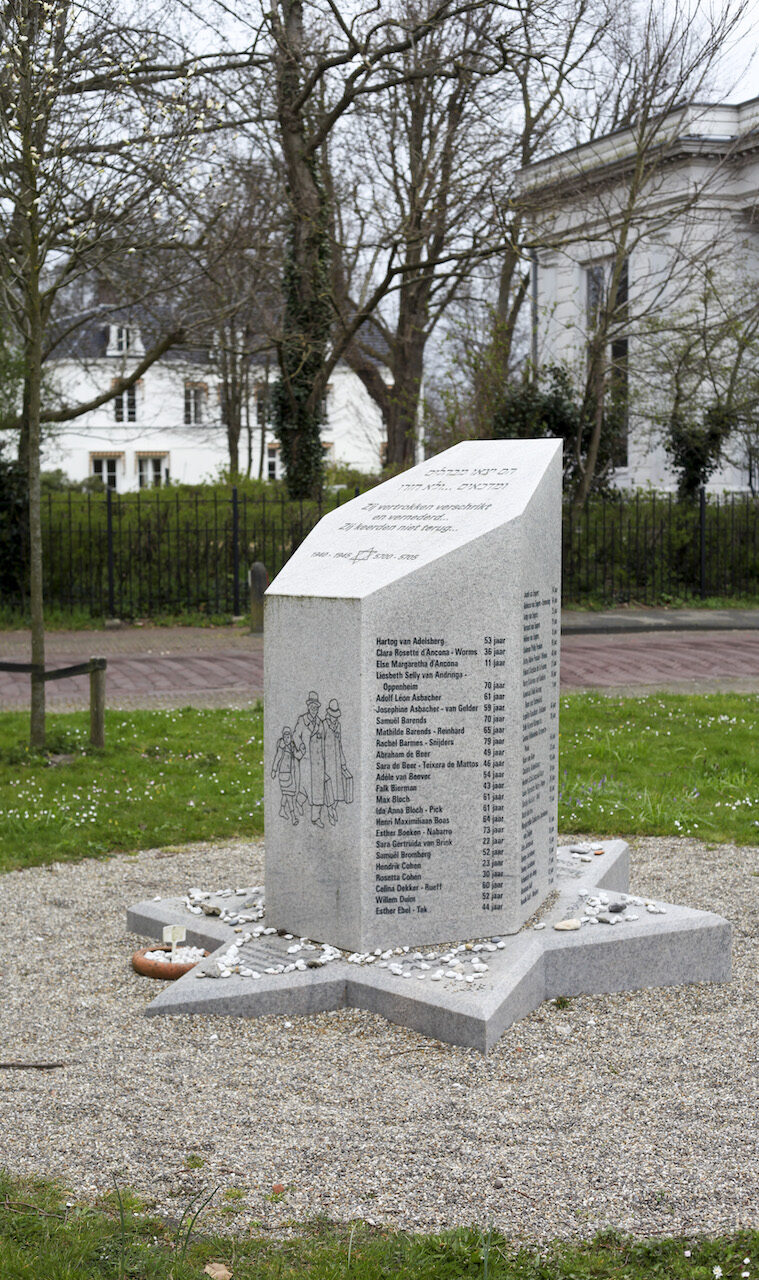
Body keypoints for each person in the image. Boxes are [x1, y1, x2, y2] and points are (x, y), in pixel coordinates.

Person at [293, 691, 329, 827]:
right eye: (312, 706)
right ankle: (298, 802)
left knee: (318, 790)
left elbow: (324, 742)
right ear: (308, 706)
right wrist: (300, 745)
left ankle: (316, 818)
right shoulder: (302, 720)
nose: (314, 709)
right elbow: (295, 735)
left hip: (318, 762)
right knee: (306, 787)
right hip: (307, 760)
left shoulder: (320, 723)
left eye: (316, 707)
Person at [323, 698, 352, 825]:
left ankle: (333, 808)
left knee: (337, 790)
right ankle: (330, 811)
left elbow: (340, 744)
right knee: (328, 788)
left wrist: (343, 763)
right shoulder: (323, 725)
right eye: (333, 716)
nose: (335, 718)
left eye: (336, 716)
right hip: (327, 761)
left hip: (337, 761)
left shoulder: (338, 726)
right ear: (329, 714)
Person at [271, 726, 302, 824]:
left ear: (291, 737)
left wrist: (302, 751)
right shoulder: (282, 747)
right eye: (285, 737)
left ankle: (282, 810)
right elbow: (277, 758)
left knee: (286, 794)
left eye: (288, 737)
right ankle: (294, 817)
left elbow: (297, 756)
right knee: (289, 796)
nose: (286, 739)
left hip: (291, 775)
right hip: (284, 775)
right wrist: (274, 770)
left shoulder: (292, 746)